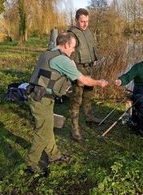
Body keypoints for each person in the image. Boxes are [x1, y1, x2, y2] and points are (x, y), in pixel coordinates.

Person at [26, 32, 108, 174]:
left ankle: (54, 154)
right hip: (41, 99)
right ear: (65, 44)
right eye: (72, 46)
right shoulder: (61, 60)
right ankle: (31, 162)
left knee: (48, 126)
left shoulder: (48, 53)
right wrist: (99, 82)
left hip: (39, 96)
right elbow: (83, 80)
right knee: (43, 132)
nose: (73, 50)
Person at [68, 8, 100, 141]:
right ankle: (74, 129)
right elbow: (68, 53)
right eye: (82, 21)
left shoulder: (88, 32)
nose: (85, 24)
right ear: (76, 20)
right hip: (78, 69)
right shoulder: (71, 34)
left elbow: (93, 47)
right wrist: (73, 69)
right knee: (77, 100)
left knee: (88, 95)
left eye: (87, 21)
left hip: (89, 67)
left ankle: (89, 117)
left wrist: (95, 58)